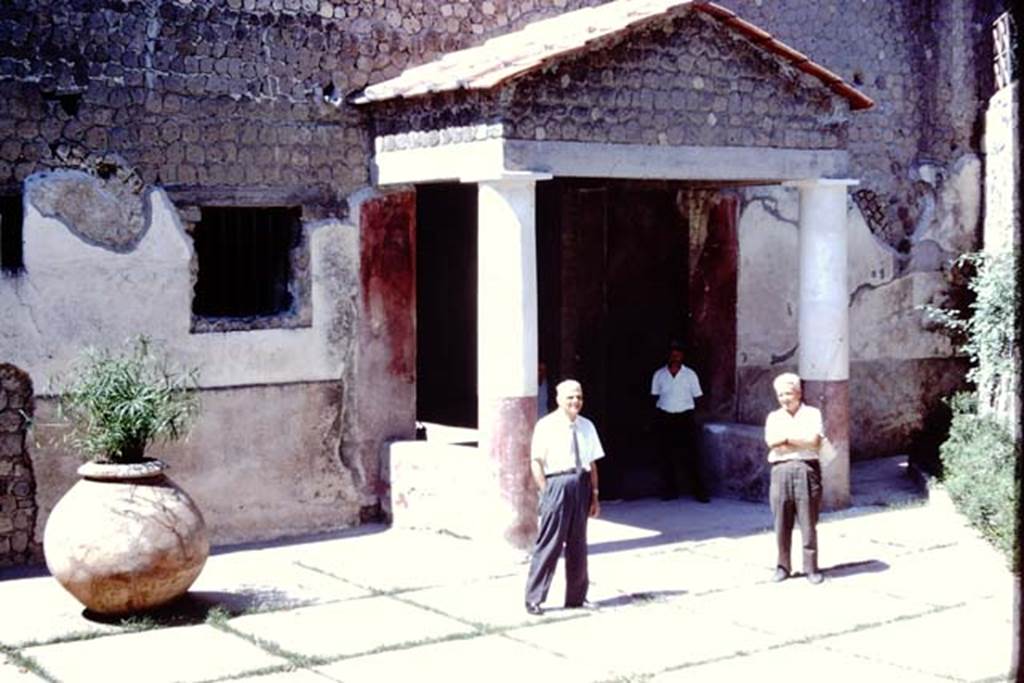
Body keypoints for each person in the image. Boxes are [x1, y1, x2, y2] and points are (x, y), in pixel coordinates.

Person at [524, 379, 603, 615]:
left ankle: (577, 596)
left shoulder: (587, 426)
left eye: (578, 397)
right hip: (557, 484)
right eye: (570, 397)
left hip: (581, 484)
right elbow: (536, 461)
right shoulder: (546, 425)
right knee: (549, 544)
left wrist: (595, 495)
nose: (575, 401)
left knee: (578, 545)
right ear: (558, 399)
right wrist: (546, 492)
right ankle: (534, 598)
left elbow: (592, 463)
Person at [764, 372, 825, 585]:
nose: (784, 398)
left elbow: (814, 442)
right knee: (781, 521)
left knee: (808, 521)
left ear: (798, 393)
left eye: (788, 393)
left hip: (806, 469)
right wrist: (798, 440)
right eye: (780, 395)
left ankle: (811, 568)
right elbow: (772, 441)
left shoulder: (812, 414)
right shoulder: (774, 417)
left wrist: (788, 439)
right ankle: (782, 566)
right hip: (780, 470)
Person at [650, 342, 709, 502]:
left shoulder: (690, 375)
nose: (675, 357)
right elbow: (654, 396)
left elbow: (698, 397)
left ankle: (699, 492)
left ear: (682, 356)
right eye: (672, 354)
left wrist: (697, 418)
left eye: (678, 354)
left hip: (685, 417)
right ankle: (669, 491)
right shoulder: (659, 375)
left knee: (691, 455)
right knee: (666, 455)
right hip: (665, 416)